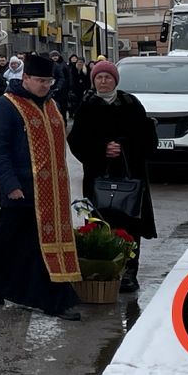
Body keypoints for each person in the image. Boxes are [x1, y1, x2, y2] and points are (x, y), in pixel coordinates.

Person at [0, 54, 82, 321]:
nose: (45, 85)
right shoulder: (7, 106)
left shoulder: (52, 105)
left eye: (49, 80)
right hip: (21, 188)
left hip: (52, 191)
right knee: (7, 239)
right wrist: (10, 184)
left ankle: (53, 298)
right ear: (25, 78)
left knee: (36, 246)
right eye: (40, 80)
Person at [68, 60, 157, 293]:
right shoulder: (87, 106)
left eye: (108, 77)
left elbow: (149, 140)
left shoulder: (131, 104)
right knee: (99, 225)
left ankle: (129, 272)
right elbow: (76, 141)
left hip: (130, 178)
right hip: (98, 178)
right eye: (99, 78)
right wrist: (101, 150)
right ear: (93, 81)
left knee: (130, 225)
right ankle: (103, 271)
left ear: (115, 80)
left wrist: (124, 148)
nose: (104, 81)